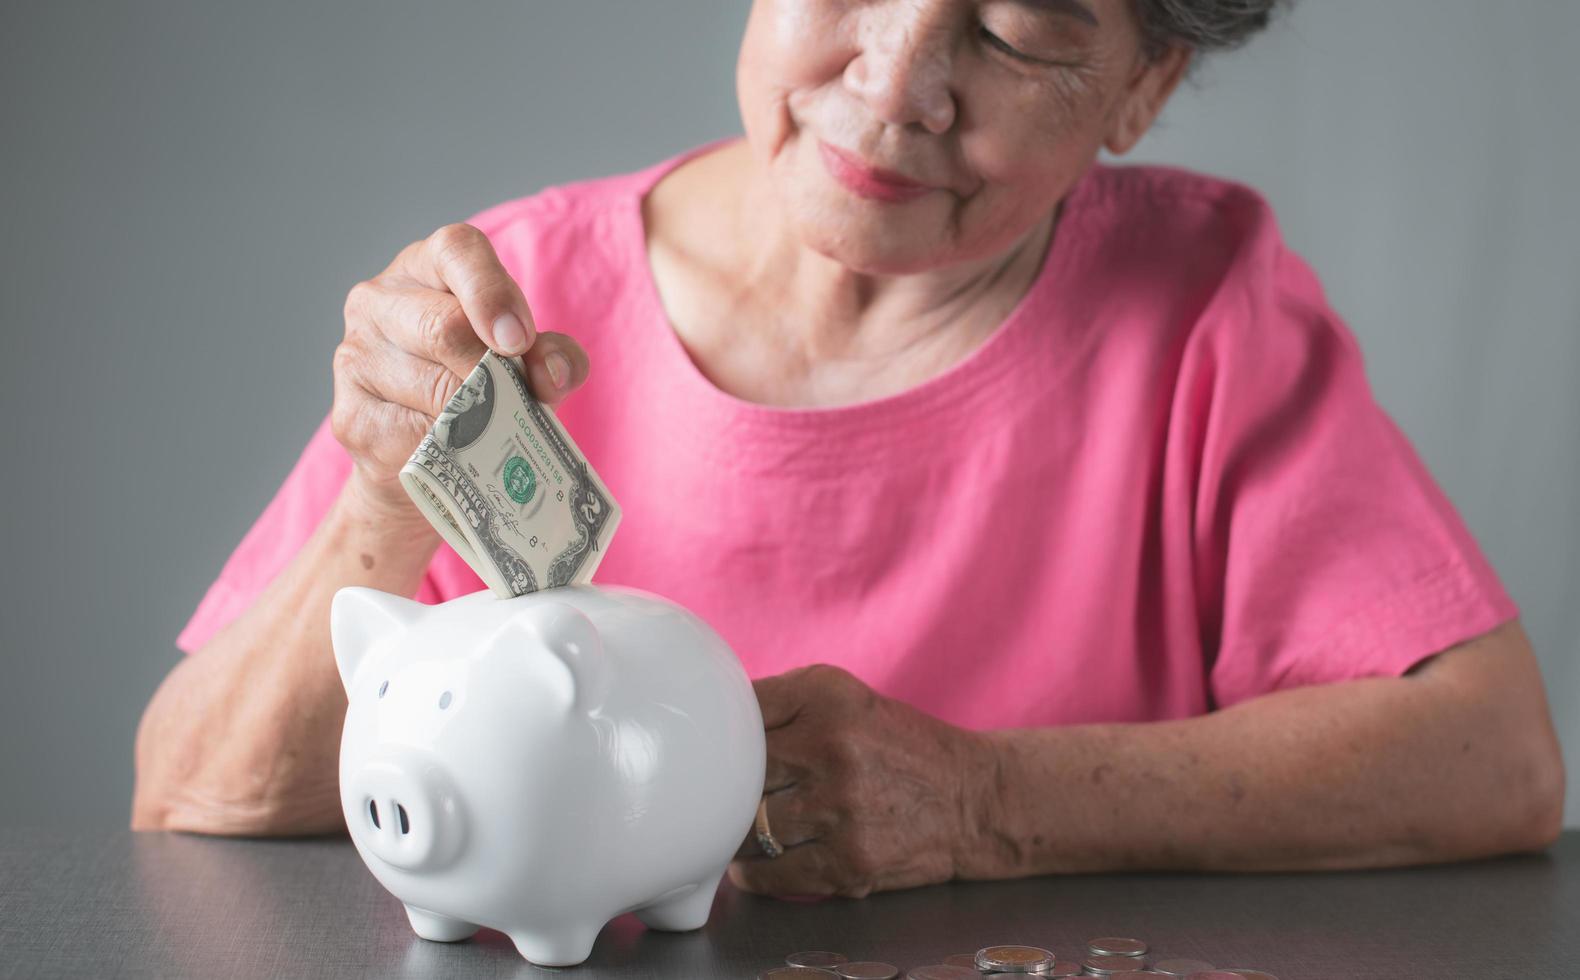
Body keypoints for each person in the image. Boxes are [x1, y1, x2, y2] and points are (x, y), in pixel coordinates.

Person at [132, 0, 1565, 899]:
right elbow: (197, 800)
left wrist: (986, 803)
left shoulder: (1201, 305)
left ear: (1143, 86)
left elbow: (1491, 762)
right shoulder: (511, 292)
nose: (894, 86)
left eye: (1014, 33)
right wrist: (388, 495)